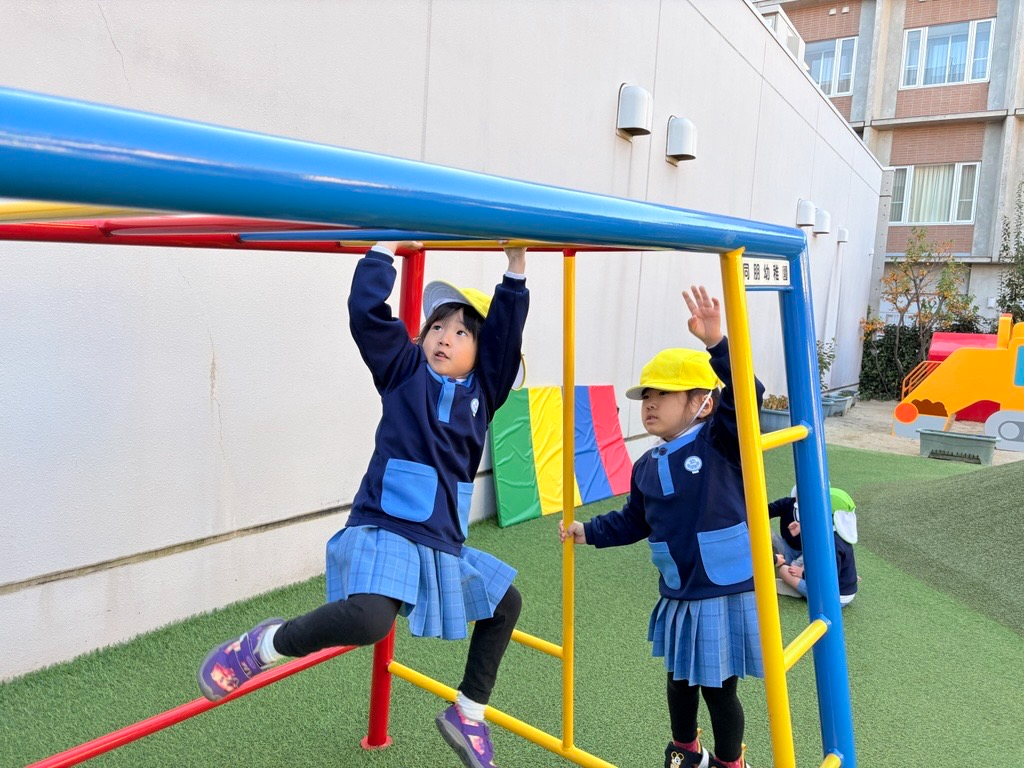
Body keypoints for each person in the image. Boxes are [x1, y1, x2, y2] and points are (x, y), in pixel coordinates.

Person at [197, 240, 530, 768]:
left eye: (462, 332)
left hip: (440, 542)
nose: (444, 337)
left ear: (482, 351)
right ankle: (261, 647)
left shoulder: (483, 395)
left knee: (505, 603)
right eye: (437, 327)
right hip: (387, 526)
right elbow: (366, 314)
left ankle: (468, 713)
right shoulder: (404, 370)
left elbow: (506, 343)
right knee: (371, 619)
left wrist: (515, 269)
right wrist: (381, 249)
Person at [560, 285, 761, 768]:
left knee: (719, 688)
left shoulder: (720, 442)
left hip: (721, 586)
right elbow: (635, 519)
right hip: (678, 588)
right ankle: (685, 750)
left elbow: (747, 397)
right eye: (646, 396)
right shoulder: (646, 464)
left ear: (703, 403)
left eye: (663, 394)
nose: (649, 403)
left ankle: (730, 762)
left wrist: (717, 344)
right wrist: (590, 531)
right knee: (678, 679)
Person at [771, 486, 858, 607]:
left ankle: (798, 589)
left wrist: (802, 574)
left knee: (784, 571)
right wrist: (801, 527)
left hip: (833, 597)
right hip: (841, 588)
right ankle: (799, 585)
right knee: (795, 566)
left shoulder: (832, 544)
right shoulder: (836, 534)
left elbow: (827, 579)